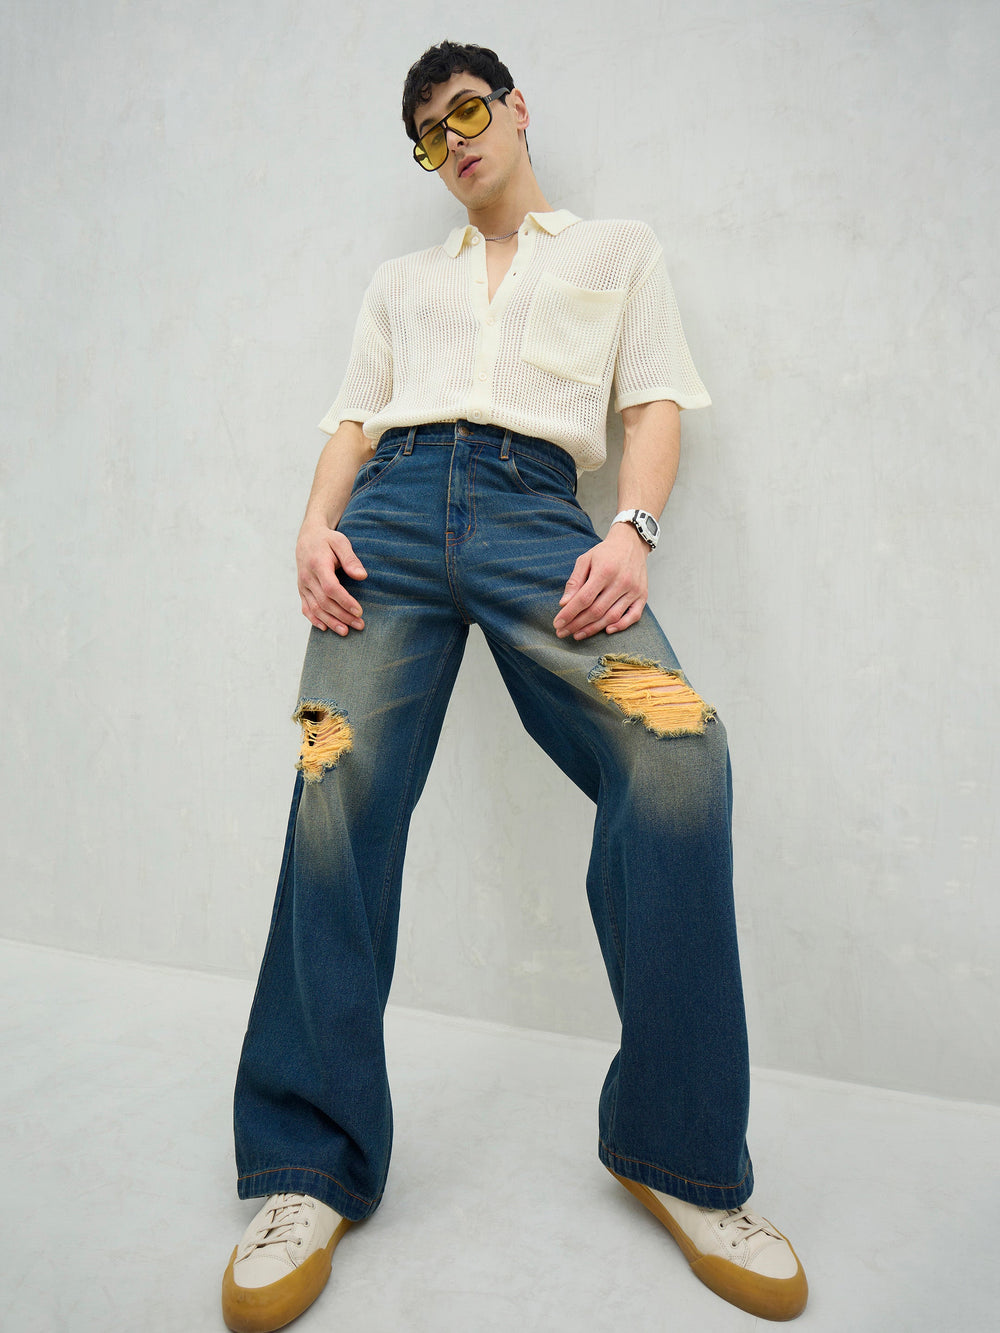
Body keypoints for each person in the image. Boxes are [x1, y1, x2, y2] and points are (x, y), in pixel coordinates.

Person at [221, 39, 808, 1331]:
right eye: (429, 135)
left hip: (540, 515)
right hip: (386, 518)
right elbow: (353, 418)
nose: (455, 143)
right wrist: (312, 528)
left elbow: (655, 402)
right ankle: (308, 1163)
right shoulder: (400, 284)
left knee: (678, 752)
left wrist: (631, 533)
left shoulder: (616, 252)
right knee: (334, 791)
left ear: (517, 107)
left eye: (468, 112)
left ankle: (678, 1153)